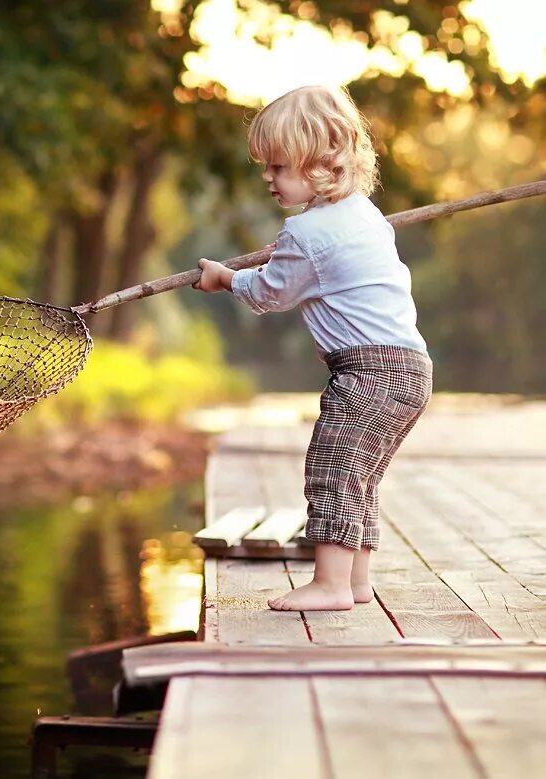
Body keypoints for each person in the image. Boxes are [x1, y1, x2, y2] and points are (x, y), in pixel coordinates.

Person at [194, 84, 432, 612]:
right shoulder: (362, 214)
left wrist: (225, 279)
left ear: (320, 163)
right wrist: (270, 262)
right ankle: (354, 582)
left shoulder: (308, 234)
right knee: (360, 475)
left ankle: (329, 585)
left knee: (334, 467)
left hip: (368, 370)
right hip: (409, 367)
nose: (268, 178)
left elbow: (271, 292)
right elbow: (299, 272)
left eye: (278, 167)